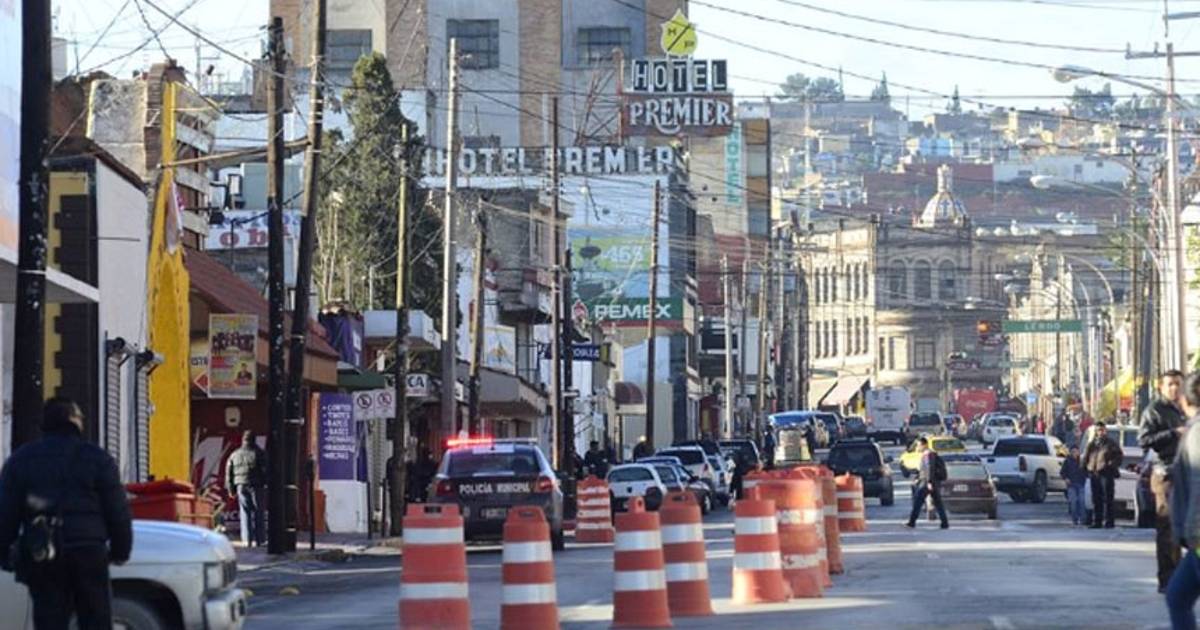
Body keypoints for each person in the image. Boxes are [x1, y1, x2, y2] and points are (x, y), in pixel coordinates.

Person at [0, 397, 133, 629]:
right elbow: (117, 511)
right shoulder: (98, 459)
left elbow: (6, 513)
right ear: (75, 422)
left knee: (49, 619)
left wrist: (4, 554)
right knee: (95, 618)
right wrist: (120, 550)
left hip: (43, 552)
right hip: (89, 551)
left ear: (45, 423)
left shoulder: (21, 460)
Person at [1142, 369, 1188, 593]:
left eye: (1178, 383)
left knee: (1187, 526)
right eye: (1170, 384)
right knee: (1167, 527)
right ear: (1161, 386)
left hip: (1187, 472)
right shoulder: (1155, 410)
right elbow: (1144, 440)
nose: (1174, 388)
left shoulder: (1186, 408)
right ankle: (1168, 579)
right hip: (1165, 474)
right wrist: (1173, 433)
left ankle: (1183, 574)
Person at [1165, 371, 1200, 628]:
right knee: (1177, 596)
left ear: (1185, 400)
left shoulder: (1197, 432)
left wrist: (1193, 530)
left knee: (1178, 597)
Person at [225, 430, 267, 547]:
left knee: (245, 512)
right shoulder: (259, 453)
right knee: (259, 512)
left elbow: (229, 473)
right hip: (256, 485)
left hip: (241, 485)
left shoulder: (234, 454)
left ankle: (246, 540)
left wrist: (231, 489)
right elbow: (265, 471)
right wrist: (265, 483)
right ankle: (260, 540)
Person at [1083, 421, 1123, 529]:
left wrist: (1111, 464)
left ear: (1105, 431)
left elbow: (1119, 456)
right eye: (1098, 430)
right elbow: (1086, 456)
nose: (1100, 432)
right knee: (1096, 498)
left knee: (1108, 498)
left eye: (1102, 430)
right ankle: (1097, 521)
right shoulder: (1092, 444)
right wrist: (1084, 468)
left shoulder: (1110, 443)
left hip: (1106, 473)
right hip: (1094, 473)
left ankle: (1109, 521)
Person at [905, 436, 949, 530]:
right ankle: (944, 523)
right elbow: (924, 470)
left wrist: (929, 482)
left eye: (918, 445)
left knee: (918, 502)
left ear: (924, 445)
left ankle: (912, 522)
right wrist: (918, 478)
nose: (917, 448)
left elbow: (929, 468)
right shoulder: (930, 454)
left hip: (927, 482)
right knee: (938, 503)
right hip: (932, 481)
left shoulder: (928, 455)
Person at [1060, 446, 1089, 526]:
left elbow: (1087, 471)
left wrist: (1086, 478)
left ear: (1079, 452)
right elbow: (1062, 472)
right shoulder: (1067, 461)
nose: (1074, 453)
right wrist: (1066, 478)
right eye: (1073, 452)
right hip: (1071, 485)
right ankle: (1074, 519)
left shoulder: (1082, 461)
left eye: (1076, 451)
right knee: (1073, 502)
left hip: (1081, 484)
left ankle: (1083, 519)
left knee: (1082, 502)